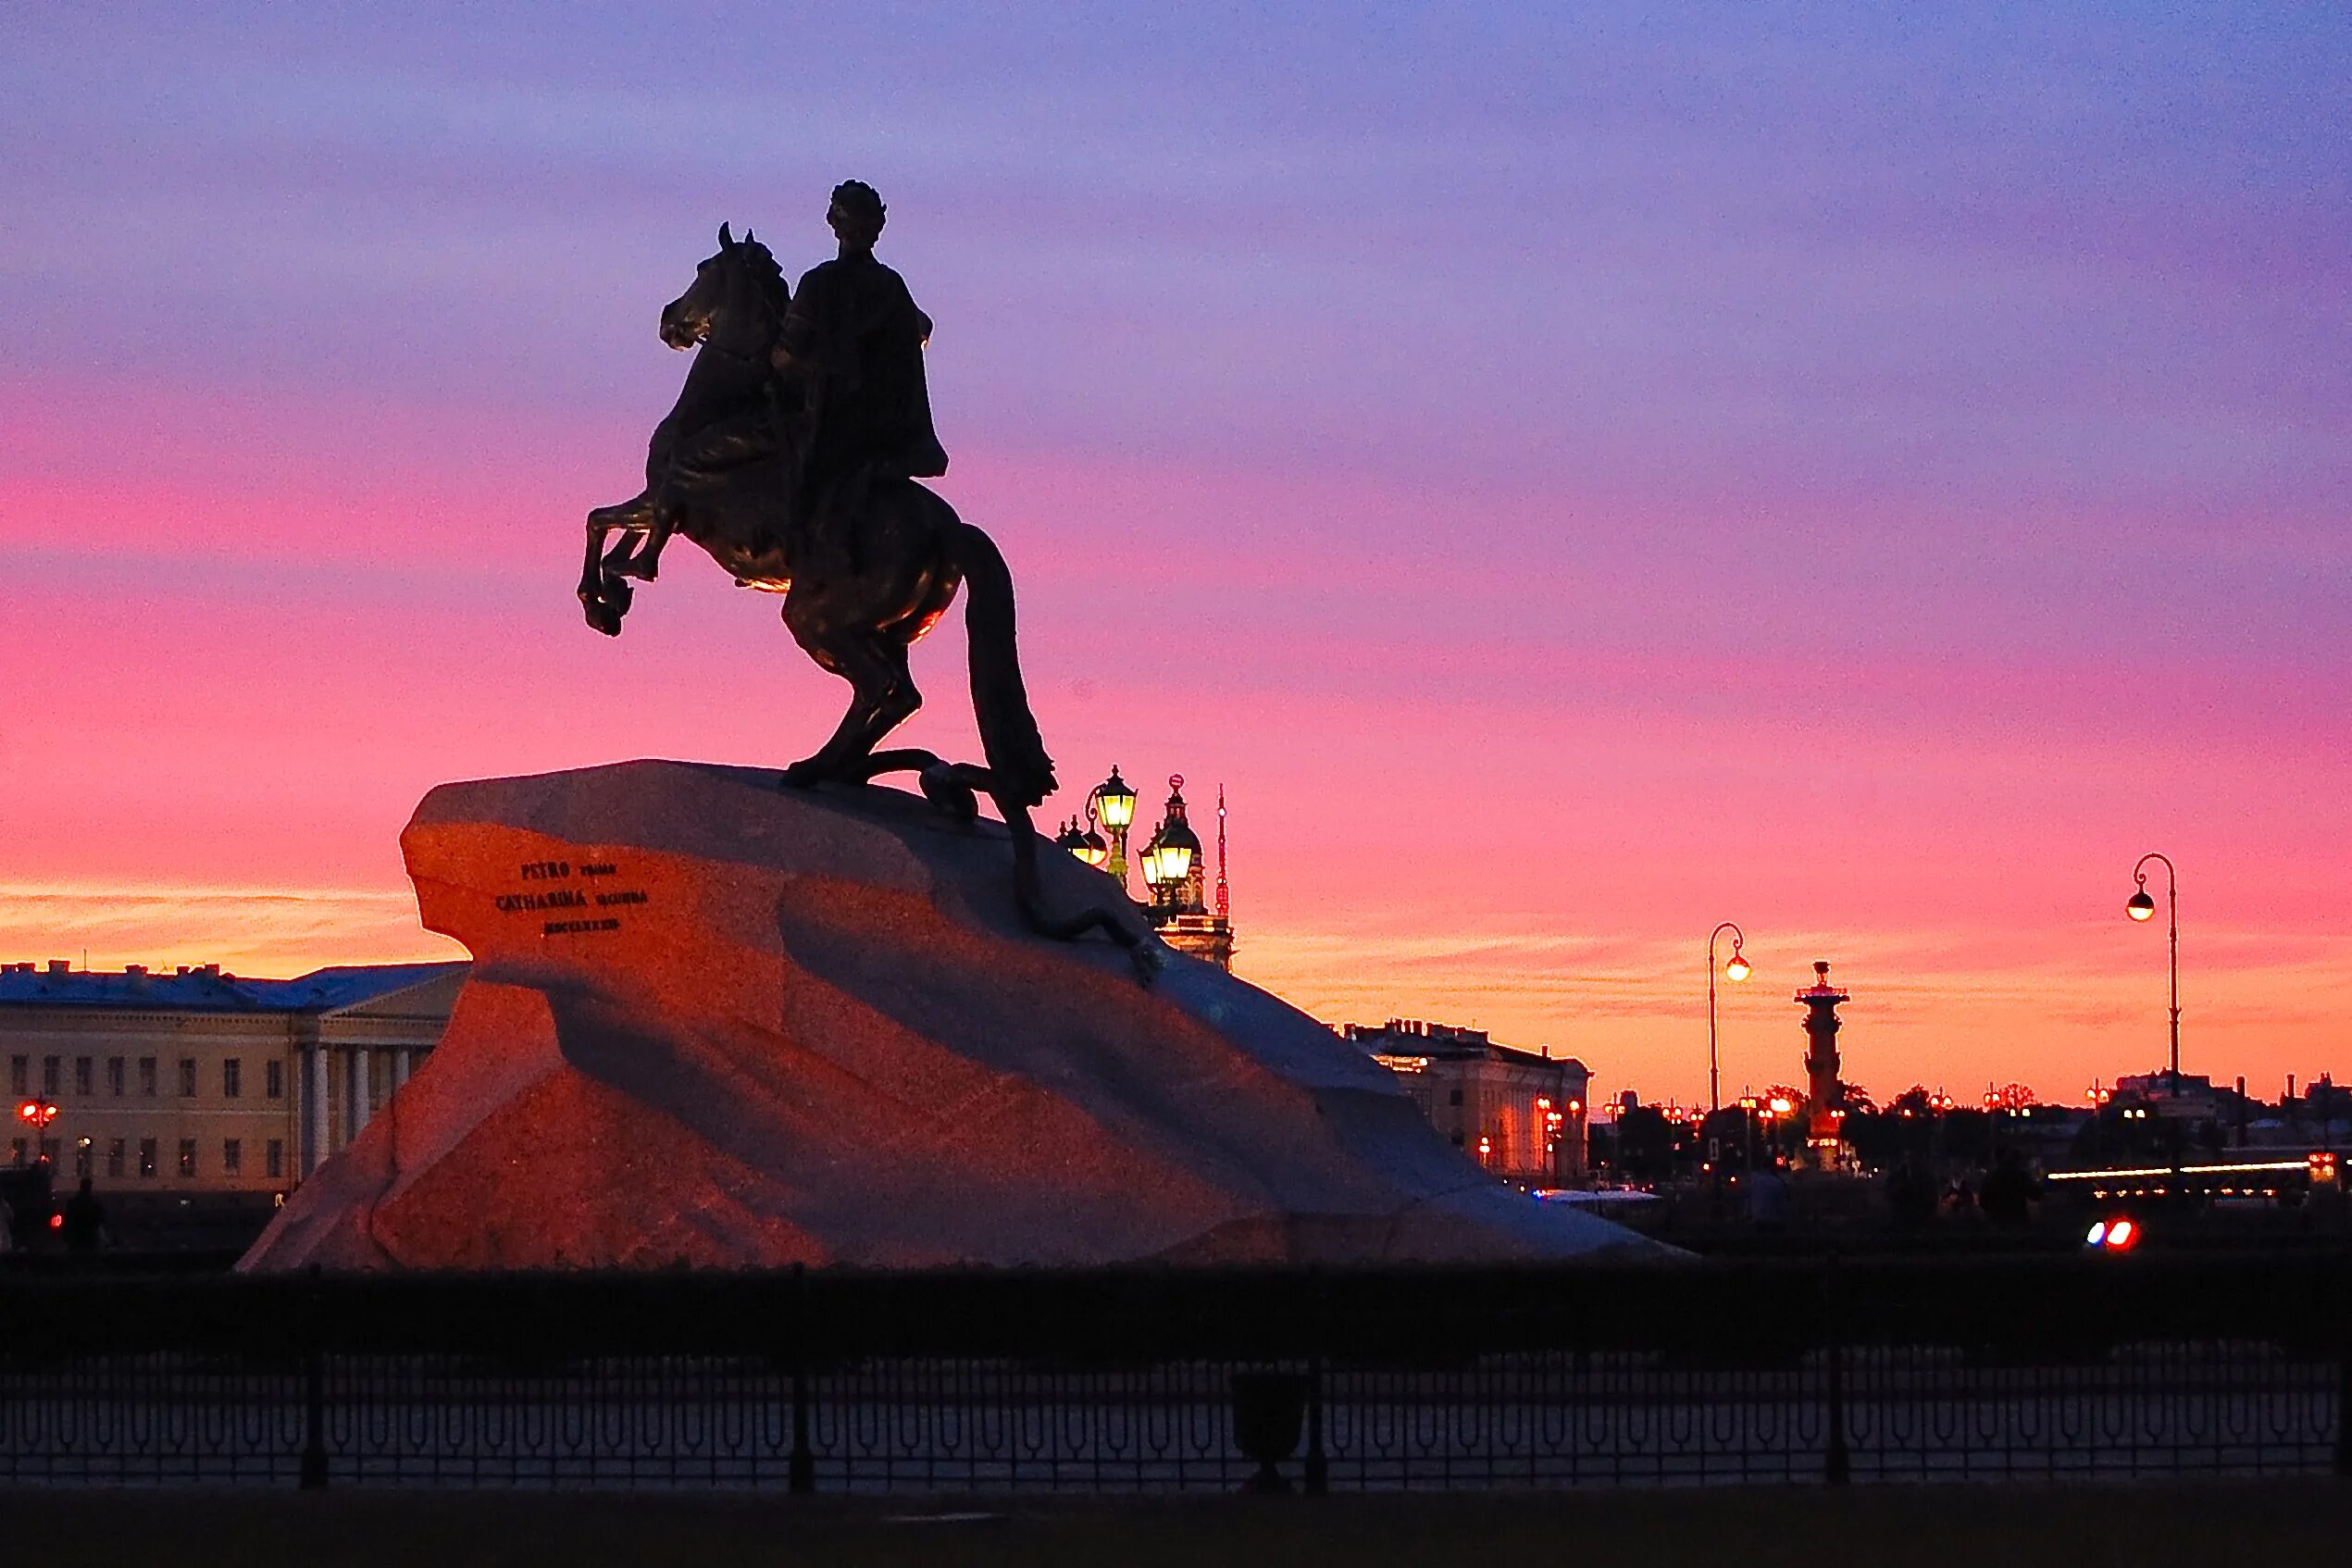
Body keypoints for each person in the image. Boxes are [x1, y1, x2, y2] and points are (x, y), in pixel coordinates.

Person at [770, 180, 948, 566]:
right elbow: (922, 326)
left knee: (782, 454)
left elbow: (789, 352)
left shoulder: (819, 283)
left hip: (839, 421)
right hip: (891, 426)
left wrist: (774, 358)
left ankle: (793, 544)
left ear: (835, 223)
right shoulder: (891, 284)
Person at [61, 1176, 105, 1254]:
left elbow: (68, 1220)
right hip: (89, 1238)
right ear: (90, 1187)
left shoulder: (73, 1202)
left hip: (76, 1238)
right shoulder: (94, 1203)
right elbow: (99, 1219)